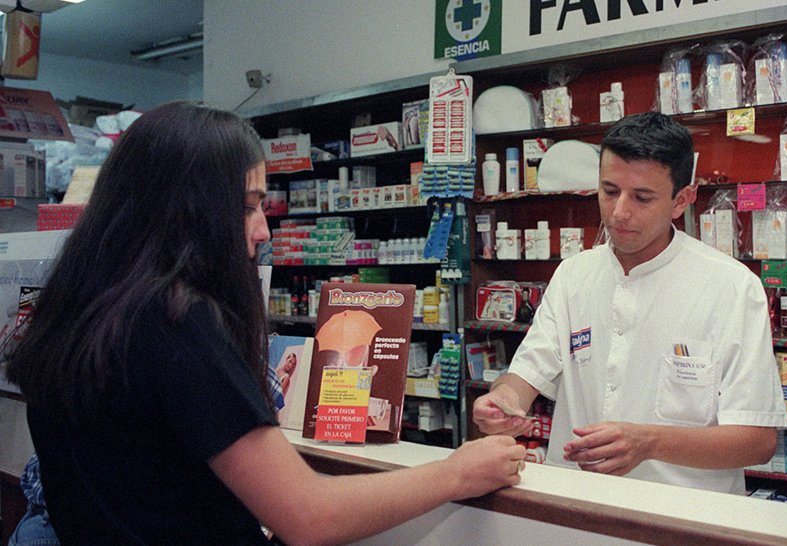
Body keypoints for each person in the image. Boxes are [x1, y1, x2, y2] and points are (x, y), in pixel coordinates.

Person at [5, 101, 525, 545]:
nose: (262, 231)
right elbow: (308, 514)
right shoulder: (176, 319)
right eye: (248, 207)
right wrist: (456, 472)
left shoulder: (75, 310)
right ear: (190, 209)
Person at [473, 112, 787, 495]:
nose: (619, 211)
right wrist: (503, 400)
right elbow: (525, 376)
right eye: (609, 191)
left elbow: (757, 441)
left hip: (686, 519)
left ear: (681, 201)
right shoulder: (574, 275)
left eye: (642, 197)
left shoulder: (732, 288)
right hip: (577, 506)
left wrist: (648, 443)